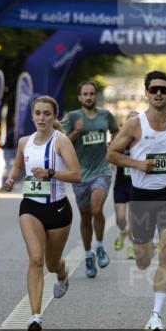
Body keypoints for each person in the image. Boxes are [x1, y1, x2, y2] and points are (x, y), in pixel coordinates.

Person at [106, 71, 166, 331]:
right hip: (141, 197)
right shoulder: (135, 125)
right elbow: (111, 154)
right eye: (154, 89)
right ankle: (143, 246)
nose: (158, 94)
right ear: (146, 92)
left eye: (163, 90)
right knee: (143, 261)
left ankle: (156, 315)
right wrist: (137, 164)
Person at [1, 96, 81, 331]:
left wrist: (50, 172)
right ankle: (35, 315)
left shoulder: (61, 141)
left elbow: (77, 175)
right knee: (36, 259)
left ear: (54, 117)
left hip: (57, 208)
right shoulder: (24, 142)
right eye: (38, 113)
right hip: (31, 207)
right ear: (33, 115)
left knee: (52, 262)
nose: (42, 118)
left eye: (47, 114)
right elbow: (18, 165)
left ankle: (62, 273)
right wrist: (11, 178)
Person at [63, 81, 120, 278]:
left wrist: (113, 145)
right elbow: (61, 143)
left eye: (92, 94)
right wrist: (75, 132)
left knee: (97, 209)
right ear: (80, 97)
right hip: (80, 175)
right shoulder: (72, 117)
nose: (88, 97)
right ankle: (88, 255)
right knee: (86, 217)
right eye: (85, 94)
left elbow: (117, 131)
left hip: (102, 170)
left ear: (96, 96)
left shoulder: (105, 115)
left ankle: (100, 246)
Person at [112, 111, 137, 258]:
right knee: (121, 218)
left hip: (137, 184)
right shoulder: (119, 139)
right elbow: (110, 157)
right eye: (130, 120)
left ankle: (131, 246)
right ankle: (122, 231)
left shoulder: (143, 140)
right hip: (121, 184)